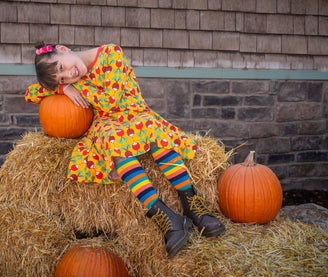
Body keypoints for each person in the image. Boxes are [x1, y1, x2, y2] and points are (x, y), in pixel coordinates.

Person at [25, 43, 225, 258]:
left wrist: (77, 87)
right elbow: (31, 93)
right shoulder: (72, 81)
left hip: (134, 114)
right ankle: (165, 216)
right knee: (112, 142)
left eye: (62, 67)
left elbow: (110, 101)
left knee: (151, 129)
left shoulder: (111, 53)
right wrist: (63, 88)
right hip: (107, 124)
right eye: (62, 77)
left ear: (63, 49)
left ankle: (192, 203)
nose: (69, 75)